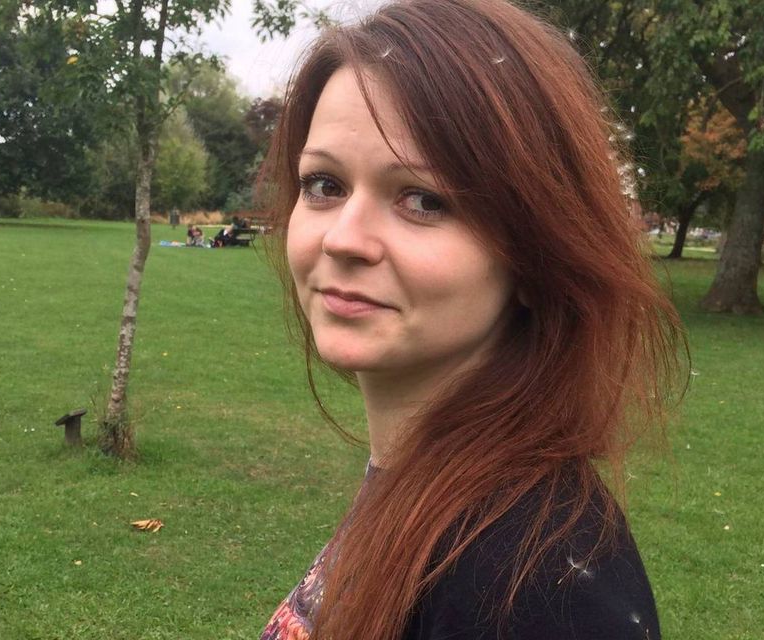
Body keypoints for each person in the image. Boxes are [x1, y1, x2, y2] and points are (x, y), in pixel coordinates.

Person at [257, 1, 686, 639]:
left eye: (423, 199)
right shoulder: (431, 486)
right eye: (325, 185)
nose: (343, 238)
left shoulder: (527, 585)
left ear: (537, 257)